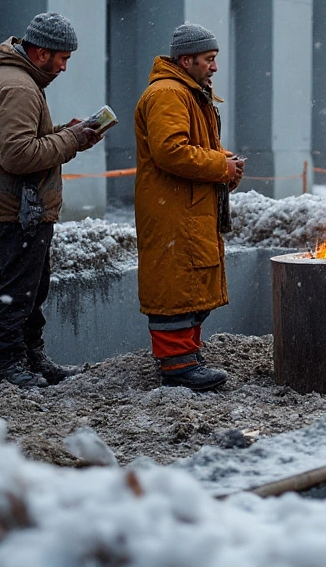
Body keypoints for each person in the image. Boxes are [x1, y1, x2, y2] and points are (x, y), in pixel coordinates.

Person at [0, 12, 103, 394]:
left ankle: (28, 357)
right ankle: (6, 365)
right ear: (41, 53)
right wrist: (71, 140)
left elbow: (24, 144)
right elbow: (19, 156)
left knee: (32, 286)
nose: (64, 66)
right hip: (16, 207)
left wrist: (66, 133)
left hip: (20, 205)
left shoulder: (17, 81)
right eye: (63, 58)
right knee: (19, 288)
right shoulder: (19, 88)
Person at [133, 23, 244, 391]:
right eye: (209, 60)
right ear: (186, 59)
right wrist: (219, 166)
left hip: (187, 207)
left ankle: (185, 357)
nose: (214, 67)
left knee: (190, 281)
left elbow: (190, 145)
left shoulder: (186, 91)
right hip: (175, 211)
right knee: (177, 285)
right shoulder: (168, 94)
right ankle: (178, 366)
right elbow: (170, 151)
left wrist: (224, 163)